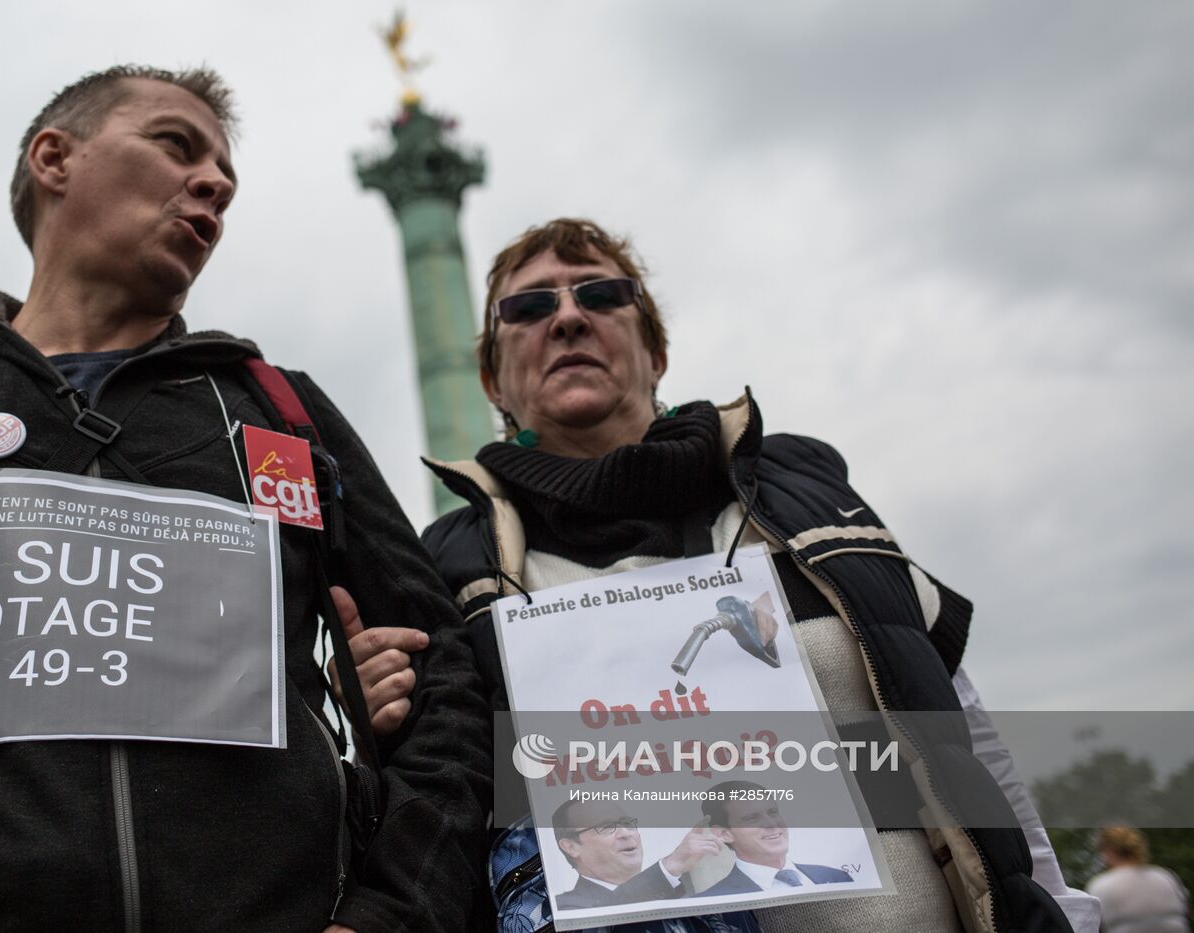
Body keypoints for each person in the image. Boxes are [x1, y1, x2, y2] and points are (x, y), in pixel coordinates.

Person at [0, 65, 488, 932]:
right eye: (175, 145)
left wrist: (391, 915)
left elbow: (449, 679)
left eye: (226, 178)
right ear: (54, 158)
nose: (214, 184)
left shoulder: (281, 414)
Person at [418, 217, 1100, 931]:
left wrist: (1061, 913)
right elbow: (442, 803)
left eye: (600, 293)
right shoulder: (451, 569)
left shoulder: (805, 500)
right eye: (528, 306)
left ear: (655, 349)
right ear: (493, 378)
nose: (566, 317)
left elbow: (958, 731)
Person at [552, 799, 723, 910]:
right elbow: (608, 915)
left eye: (627, 823)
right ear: (571, 846)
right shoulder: (566, 908)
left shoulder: (679, 891)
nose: (626, 833)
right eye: (606, 827)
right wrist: (669, 867)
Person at [695, 782, 852, 896]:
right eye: (751, 818)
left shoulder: (836, 877)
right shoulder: (715, 901)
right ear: (724, 834)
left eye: (773, 812)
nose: (772, 823)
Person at [1086, 825, 1190, 932]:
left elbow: (1094, 926)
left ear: (1108, 850)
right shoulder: (1165, 875)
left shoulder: (1100, 885)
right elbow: (1185, 911)